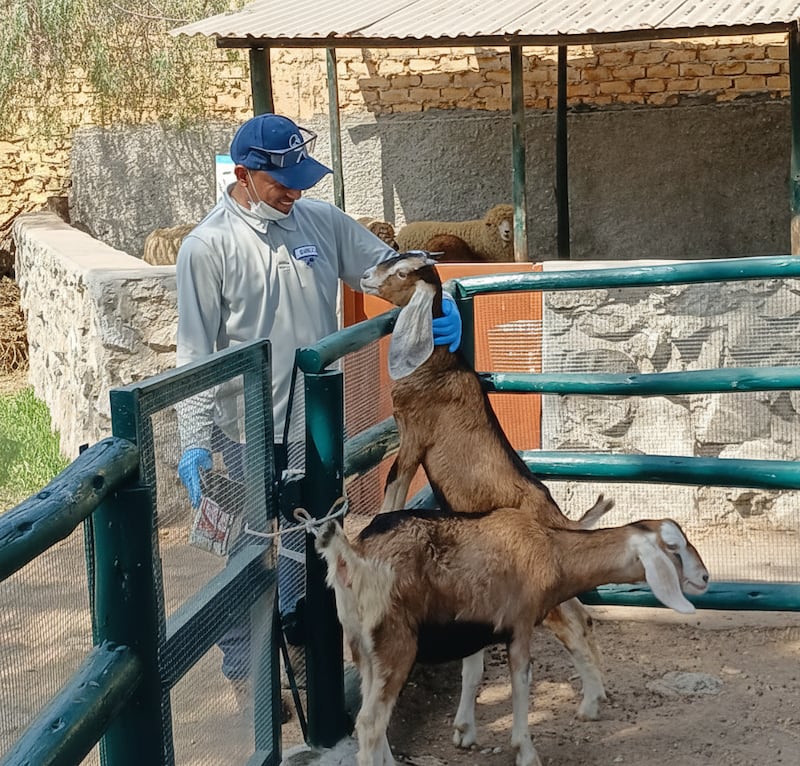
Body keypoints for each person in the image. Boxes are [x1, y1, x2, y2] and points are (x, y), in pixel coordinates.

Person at [173, 113, 462, 688]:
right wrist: (194, 443)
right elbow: (196, 354)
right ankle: (248, 673)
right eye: (283, 181)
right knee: (247, 550)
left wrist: (434, 295)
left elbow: (384, 273)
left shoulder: (319, 221)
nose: (295, 192)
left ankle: (300, 643)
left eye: (301, 179)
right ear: (246, 173)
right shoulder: (208, 248)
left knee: (312, 539)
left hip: (315, 422)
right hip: (245, 426)